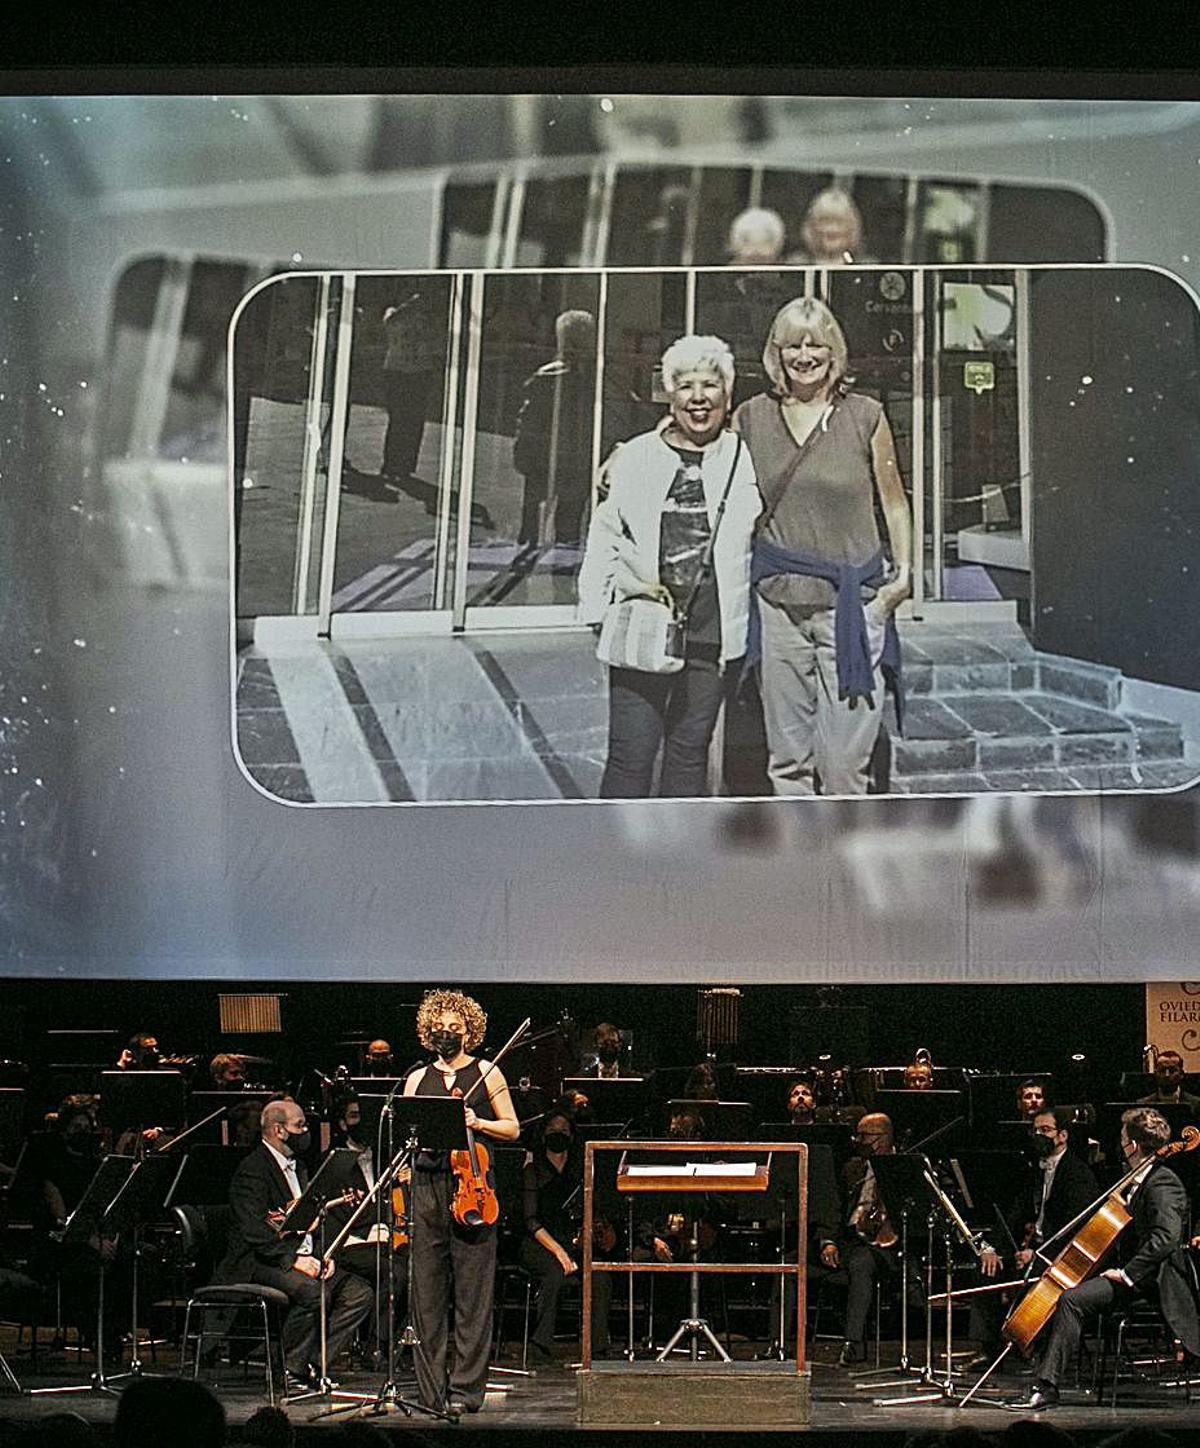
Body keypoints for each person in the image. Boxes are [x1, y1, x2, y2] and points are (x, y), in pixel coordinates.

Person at [734, 295, 911, 796]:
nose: (805, 355)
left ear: (835, 353)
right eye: (793, 345)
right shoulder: (751, 416)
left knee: (844, 766)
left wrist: (902, 581)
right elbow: (703, 452)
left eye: (816, 344)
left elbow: (894, 501)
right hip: (779, 607)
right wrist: (629, 448)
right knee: (787, 762)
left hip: (851, 607)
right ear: (776, 353)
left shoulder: (864, 415)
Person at [578, 334, 761, 798]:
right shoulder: (638, 455)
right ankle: (614, 860)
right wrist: (597, 612)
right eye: (685, 386)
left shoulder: (745, 457)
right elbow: (606, 535)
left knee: (689, 754)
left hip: (711, 633)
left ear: (728, 393)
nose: (698, 397)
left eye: (710, 385)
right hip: (644, 625)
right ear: (669, 393)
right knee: (630, 755)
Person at [1008, 1107, 1200, 1411]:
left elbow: (1165, 1239)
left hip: (1152, 1280)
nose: (1120, 1145)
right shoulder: (1138, 1178)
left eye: (1123, 1139)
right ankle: (1041, 1375)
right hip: (1131, 1273)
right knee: (1064, 1291)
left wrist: (1126, 1274)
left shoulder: (1164, 1182)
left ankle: (1047, 1387)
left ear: (1133, 1146)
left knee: (1071, 1299)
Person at [401, 989, 519, 1415]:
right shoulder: (417, 1078)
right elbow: (408, 1135)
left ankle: (466, 1391)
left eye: (456, 1027)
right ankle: (430, 1391)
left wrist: (478, 1119)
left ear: (470, 1031)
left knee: (472, 1298)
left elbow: (513, 1128)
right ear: (428, 1031)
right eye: (440, 1027)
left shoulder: (488, 1073)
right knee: (427, 1299)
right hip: (428, 1189)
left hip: (471, 1188)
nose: (447, 1033)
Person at [216, 1098, 373, 1393]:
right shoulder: (252, 1169)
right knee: (313, 1293)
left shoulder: (299, 1166)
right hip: (260, 1261)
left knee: (358, 1293)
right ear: (279, 1130)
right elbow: (254, 1232)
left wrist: (322, 1254)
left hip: (300, 1253)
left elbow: (309, 1219)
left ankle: (313, 1363)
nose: (305, 1131)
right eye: (299, 1125)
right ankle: (288, 1369)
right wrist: (294, 1261)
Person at [972, 1107, 1099, 1364]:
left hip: (1061, 1255)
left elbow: (1074, 1229)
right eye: (1035, 1130)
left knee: (1035, 1270)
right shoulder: (1034, 1170)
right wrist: (992, 1248)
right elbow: (1013, 1215)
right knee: (986, 1269)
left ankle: (1031, 1346)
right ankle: (989, 1348)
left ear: (1062, 1136)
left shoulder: (1077, 1174)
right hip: (1033, 1248)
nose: (1038, 1135)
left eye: (1045, 1130)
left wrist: (1037, 1253)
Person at [519, 1107, 613, 1361]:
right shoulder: (533, 1170)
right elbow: (530, 1220)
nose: (557, 1135)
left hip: (573, 1240)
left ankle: (597, 1347)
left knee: (600, 1275)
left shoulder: (580, 1171)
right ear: (543, 1135)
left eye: (563, 1131)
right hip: (540, 1242)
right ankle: (541, 1344)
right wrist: (559, 1251)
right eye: (552, 1130)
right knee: (554, 1273)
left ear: (572, 1136)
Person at [814, 1112, 903, 1366]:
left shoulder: (902, 1166)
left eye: (864, 1136)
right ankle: (779, 1345)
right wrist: (827, 1241)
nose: (858, 1141)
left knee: (861, 1264)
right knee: (789, 1258)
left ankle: (852, 1343)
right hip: (848, 1238)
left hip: (884, 1243)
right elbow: (834, 1208)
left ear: (881, 1139)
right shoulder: (852, 1168)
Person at [512, 309, 597, 546]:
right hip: (576, 459)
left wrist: (522, 450)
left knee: (532, 518)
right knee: (569, 524)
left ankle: (527, 551)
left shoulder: (547, 377)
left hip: (544, 455)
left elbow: (528, 419)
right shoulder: (595, 378)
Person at [787, 187, 875, 266]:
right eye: (825, 221)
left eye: (839, 222)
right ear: (811, 227)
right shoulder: (796, 265)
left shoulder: (866, 267)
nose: (831, 230)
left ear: (852, 228)